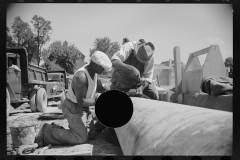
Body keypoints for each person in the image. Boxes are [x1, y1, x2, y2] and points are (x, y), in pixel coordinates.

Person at [35, 51, 112, 147]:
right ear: (96, 65)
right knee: (80, 138)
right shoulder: (82, 76)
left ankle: (56, 128)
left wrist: (113, 93)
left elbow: (100, 87)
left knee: (91, 134)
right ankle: (47, 131)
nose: (104, 71)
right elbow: (81, 102)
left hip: (83, 108)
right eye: (103, 68)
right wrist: (100, 101)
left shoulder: (94, 73)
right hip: (73, 107)